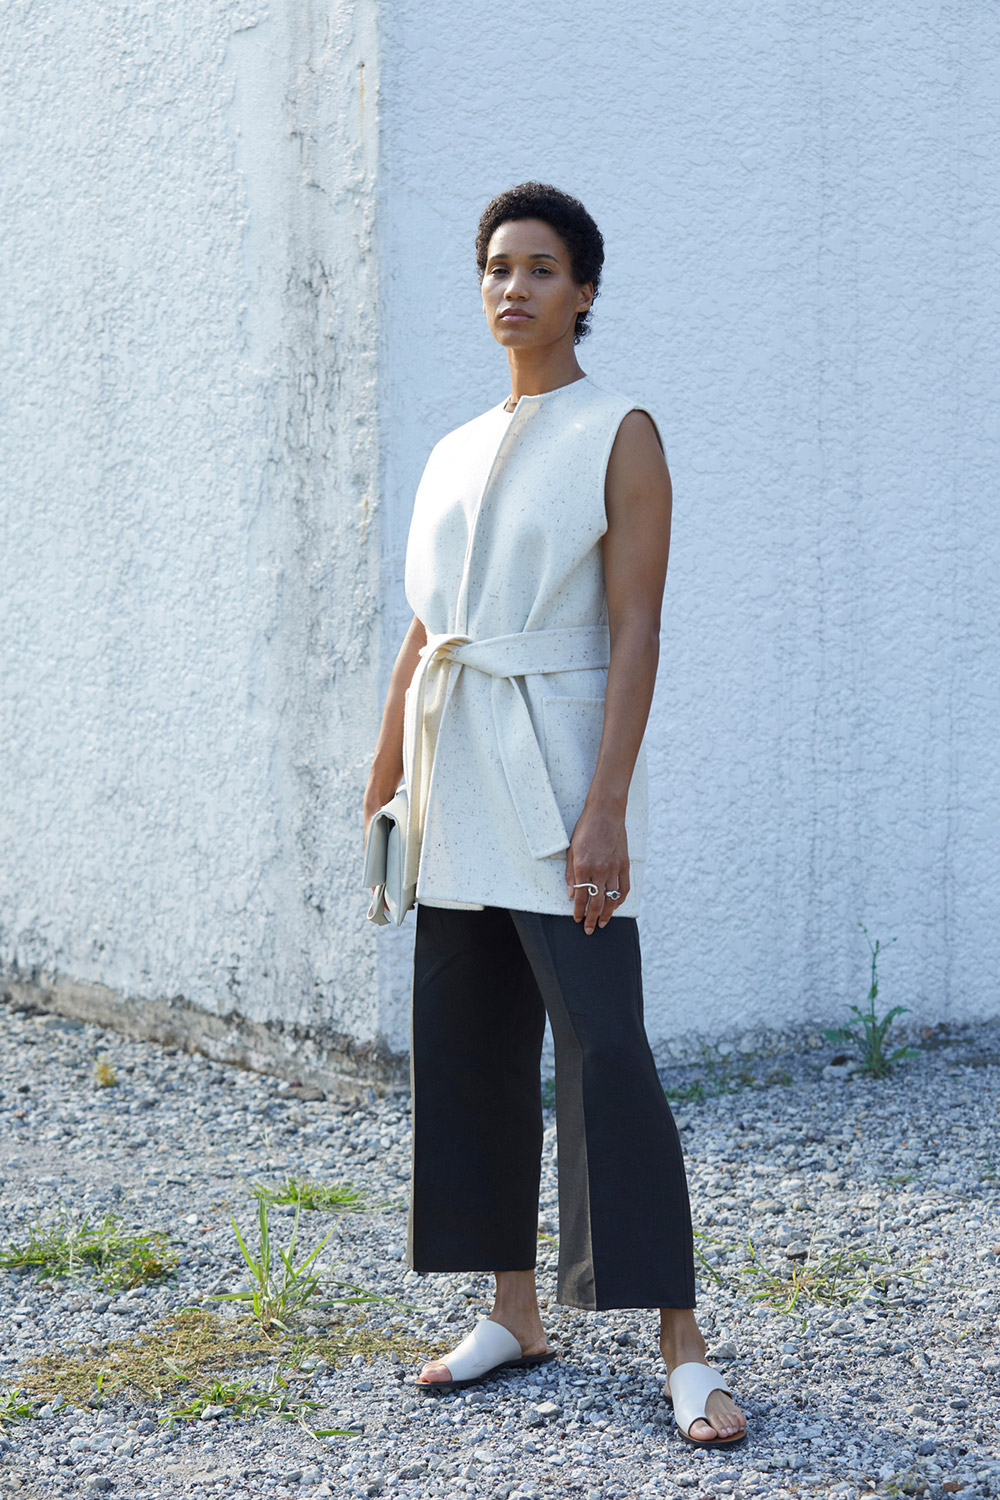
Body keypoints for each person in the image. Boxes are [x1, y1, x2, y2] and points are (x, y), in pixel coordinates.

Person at [363, 182, 746, 1448]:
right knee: (466, 1045)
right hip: (452, 771)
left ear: (583, 291)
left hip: (553, 772)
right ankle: (512, 1311)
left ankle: (680, 1340)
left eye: (538, 268)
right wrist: (386, 767)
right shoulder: (452, 447)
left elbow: (637, 625)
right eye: (495, 267)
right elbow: (427, 627)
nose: (512, 287)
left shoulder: (617, 429)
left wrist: (606, 807)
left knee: (604, 1050)